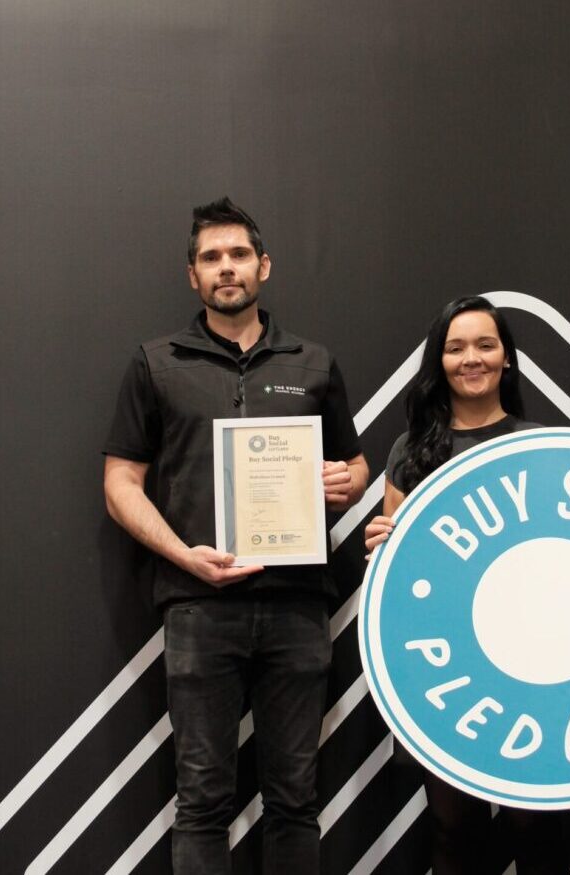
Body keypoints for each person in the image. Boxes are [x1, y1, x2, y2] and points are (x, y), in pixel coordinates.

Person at [103, 197, 368, 875]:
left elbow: (355, 463)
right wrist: (181, 555)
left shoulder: (313, 361)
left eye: (239, 254)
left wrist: (350, 482)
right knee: (202, 802)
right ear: (192, 275)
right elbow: (120, 482)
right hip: (198, 605)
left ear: (264, 265)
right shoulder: (157, 363)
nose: (227, 268)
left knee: (294, 801)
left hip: (298, 603)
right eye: (211, 257)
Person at [364, 295, 567, 875]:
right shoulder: (412, 451)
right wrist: (383, 544)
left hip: (533, 664)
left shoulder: (540, 444)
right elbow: (396, 574)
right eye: (455, 348)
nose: (470, 358)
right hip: (446, 666)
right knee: (453, 826)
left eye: (485, 344)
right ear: (439, 362)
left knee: (536, 824)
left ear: (507, 359)